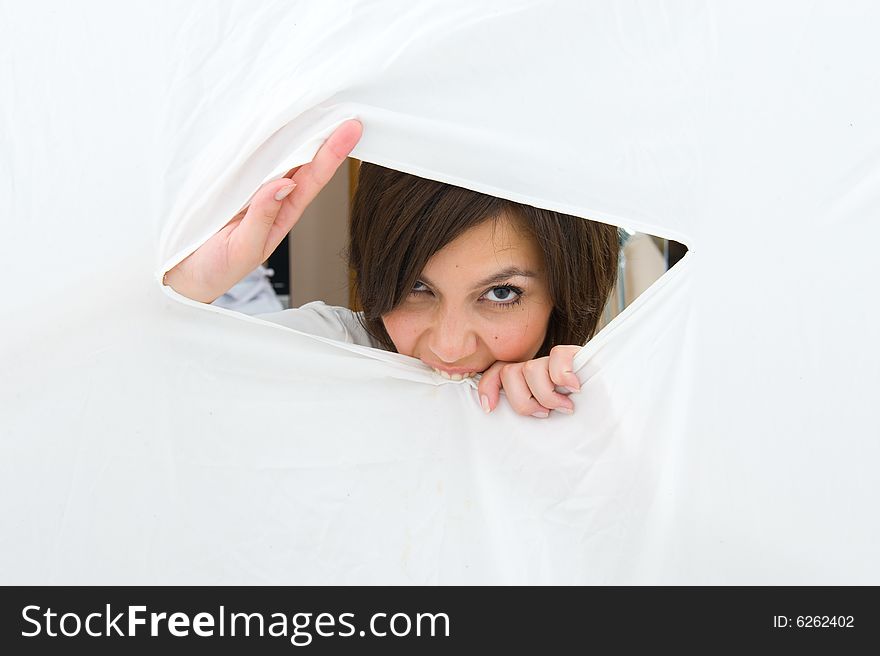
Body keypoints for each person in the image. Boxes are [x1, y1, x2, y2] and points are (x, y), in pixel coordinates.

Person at [164, 120, 619, 418]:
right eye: (417, 287)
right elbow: (131, 396)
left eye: (501, 293)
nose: (450, 347)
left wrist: (583, 410)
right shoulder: (332, 352)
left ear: (566, 287)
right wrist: (190, 287)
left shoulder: (591, 395)